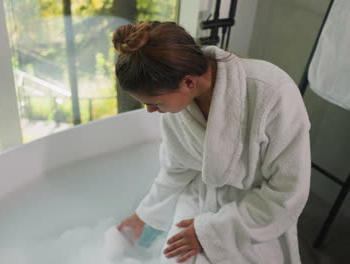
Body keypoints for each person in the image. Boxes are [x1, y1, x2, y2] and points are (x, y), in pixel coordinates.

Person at [112, 21, 311, 264]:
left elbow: (288, 191)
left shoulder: (273, 93)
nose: (151, 111)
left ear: (187, 82)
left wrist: (211, 232)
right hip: (200, 195)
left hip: (255, 211)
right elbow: (176, 168)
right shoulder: (178, 107)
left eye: (155, 102)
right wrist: (145, 215)